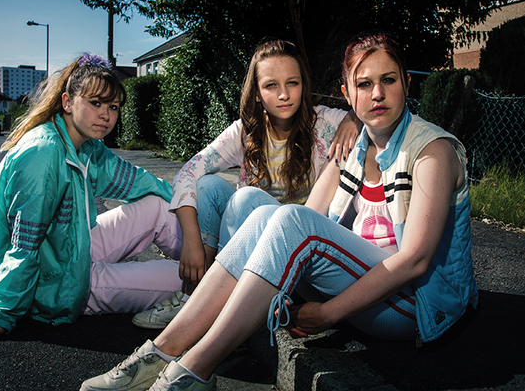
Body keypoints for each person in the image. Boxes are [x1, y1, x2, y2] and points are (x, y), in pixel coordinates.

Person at [80, 30, 478, 391]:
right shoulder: (354, 148)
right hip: (368, 289)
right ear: (348, 93)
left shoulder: (432, 151)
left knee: (289, 218)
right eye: (364, 84)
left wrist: (328, 314)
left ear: (407, 84)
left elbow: (415, 262)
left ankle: (194, 371)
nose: (377, 94)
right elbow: (315, 213)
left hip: (413, 306)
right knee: (262, 213)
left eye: (388, 80)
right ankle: (160, 353)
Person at [0, 53, 184, 347]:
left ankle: (218, 265)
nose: (106, 115)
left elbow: (137, 181)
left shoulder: (86, 146)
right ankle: (222, 285)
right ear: (67, 102)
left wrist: (186, 200)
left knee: (157, 204)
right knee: (184, 280)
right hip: (52, 283)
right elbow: (24, 246)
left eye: (113, 106)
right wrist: (1, 313)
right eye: (95, 103)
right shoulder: (44, 153)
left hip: (71, 250)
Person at [131, 38, 359, 330]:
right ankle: (196, 297)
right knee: (211, 187)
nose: (284, 95)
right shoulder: (246, 131)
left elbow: (378, 116)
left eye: (293, 83)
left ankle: (207, 308)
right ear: (257, 93)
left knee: (246, 199)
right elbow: (189, 171)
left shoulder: (327, 123)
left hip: (302, 246)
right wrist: (190, 239)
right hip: (253, 247)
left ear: (304, 84)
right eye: (271, 86)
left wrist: (353, 118)